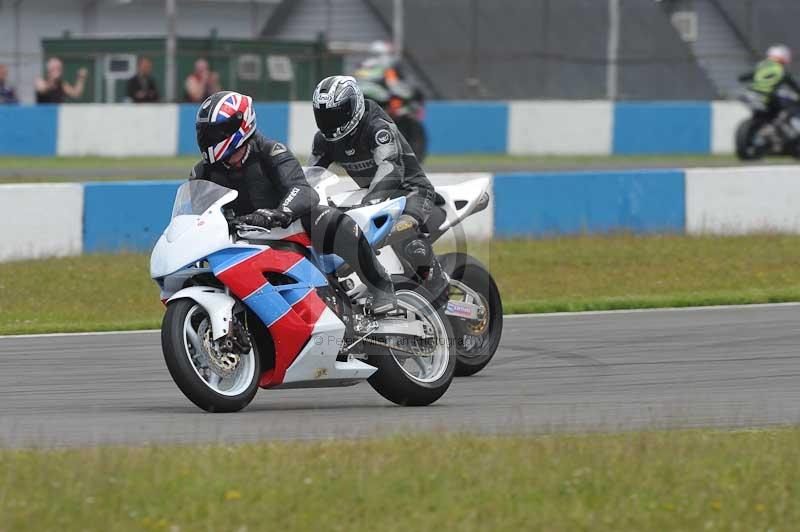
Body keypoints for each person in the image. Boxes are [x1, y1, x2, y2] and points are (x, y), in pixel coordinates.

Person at [190, 90, 396, 314]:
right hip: (239, 241)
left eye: (216, 131)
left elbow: (303, 190)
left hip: (286, 229)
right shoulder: (202, 172)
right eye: (205, 132)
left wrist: (279, 213)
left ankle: (381, 287)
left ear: (240, 125)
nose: (209, 138)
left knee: (330, 219)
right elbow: (198, 216)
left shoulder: (271, 152)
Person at [308, 75, 448, 303]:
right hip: (373, 196)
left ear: (354, 106)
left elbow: (390, 168)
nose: (330, 121)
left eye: (337, 113)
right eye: (324, 115)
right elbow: (311, 176)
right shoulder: (324, 139)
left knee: (407, 238)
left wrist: (371, 202)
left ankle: (440, 289)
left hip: (412, 192)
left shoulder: (377, 128)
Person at [739, 44, 800, 124]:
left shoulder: (761, 66)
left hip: (752, 93)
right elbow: (792, 84)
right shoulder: (780, 69)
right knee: (789, 106)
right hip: (767, 97)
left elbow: (743, 77)